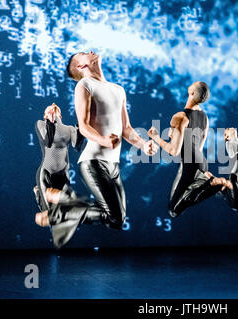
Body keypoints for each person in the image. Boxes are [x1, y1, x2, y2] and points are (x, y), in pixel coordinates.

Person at [35, 50, 157, 248]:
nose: (90, 51)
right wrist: (104, 141)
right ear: (81, 67)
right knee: (112, 215)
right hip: (93, 161)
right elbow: (83, 126)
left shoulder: (118, 89)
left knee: (117, 220)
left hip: (113, 164)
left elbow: (126, 128)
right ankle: (61, 212)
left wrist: (143, 145)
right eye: (84, 53)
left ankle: (64, 212)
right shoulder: (85, 85)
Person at [148, 81, 232, 218]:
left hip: (190, 165)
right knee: (190, 195)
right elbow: (197, 145)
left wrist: (155, 137)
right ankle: (211, 183)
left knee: (173, 210)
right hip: (201, 164)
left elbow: (173, 151)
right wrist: (176, 138)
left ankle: (212, 184)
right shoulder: (205, 117)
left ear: (192, 93)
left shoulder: (181, 117)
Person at [33, 103, 84, 214]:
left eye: (54, 110)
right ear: (45, 115)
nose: (53, 106)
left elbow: (77, 146)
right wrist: (50, 123)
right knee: (49, 211)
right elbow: (48, 142)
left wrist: (80, 127)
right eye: (48, 110)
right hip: (46, 172)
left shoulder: (69, 129)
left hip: (63, 173)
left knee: (66, 208)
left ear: (60, 116)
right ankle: (38, 194)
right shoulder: (40, 124)